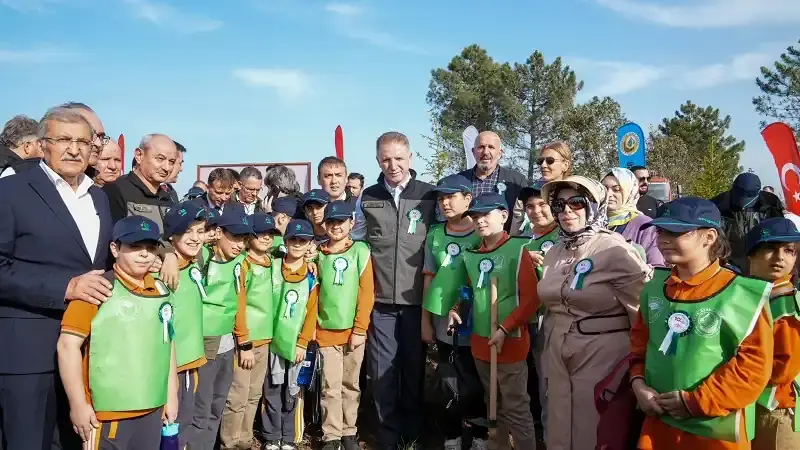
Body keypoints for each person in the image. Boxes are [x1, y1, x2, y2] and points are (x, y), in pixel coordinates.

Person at [0, 107, 114, 450]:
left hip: (86, 353)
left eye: (82, 141)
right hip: (28, 355)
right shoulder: (11, 192)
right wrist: (65, 287)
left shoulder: (99, 197)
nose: (74, 149)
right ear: (42, 145)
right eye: (63, 139)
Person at [629, 197, 772, 450]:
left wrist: (696, 401)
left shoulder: (743, 295)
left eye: (676, 231)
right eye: (661, 230)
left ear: (708, 237)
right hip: (658, 427)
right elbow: (638, 348)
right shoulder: (653, 288)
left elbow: (752, 369)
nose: (663, 238)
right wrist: (638, 384)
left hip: (715, 432)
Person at [537, 175, 651, 450]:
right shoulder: (554, 251)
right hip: (557, 350)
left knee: (594, 428)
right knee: (558, 424)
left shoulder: (614, 248)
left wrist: (642, 365)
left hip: (602, 352)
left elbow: (641, 311)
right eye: (559, 205)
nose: (567, 211)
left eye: (576, 203)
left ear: (593, 205)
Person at [57, 216, 179, 449]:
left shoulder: (161, 290)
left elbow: (168, 342)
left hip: (153, 406)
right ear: (115, 248)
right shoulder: (97, 288)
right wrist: (78, 404)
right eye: (135, 246)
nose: (144, 253)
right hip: (108, 413)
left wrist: (171, 394)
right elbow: (67, 345)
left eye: (151, 247)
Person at [350, 131, 437, 449]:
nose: (393, 164)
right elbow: (356, 238)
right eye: (386, 158)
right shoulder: (368, 195)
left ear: (410, 158)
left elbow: (440, 241)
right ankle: (387, 432)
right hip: (381, 300)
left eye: (399, 158)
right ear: (377, 160)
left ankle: (413, 431)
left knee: (413, 368)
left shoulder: (429, 195)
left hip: (417, 300)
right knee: (382, 369)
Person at [442, 193, 539, 450]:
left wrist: (506, 328)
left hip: (510, 342)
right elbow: (467, 290)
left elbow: (532, 299)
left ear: (504, 215)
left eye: (486, 214)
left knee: (516, 407)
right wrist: (456, 309)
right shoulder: (471, 254)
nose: (480, 220)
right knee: (492, 404)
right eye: (475, 216)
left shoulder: (520, 250)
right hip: (480, 343)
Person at [300, 201, 374, 450]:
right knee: (330, 386)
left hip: (353, 332)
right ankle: (331, 434)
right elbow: (313, 294)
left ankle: (349, 431)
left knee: (350, 385)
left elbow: (366, 293)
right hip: (326, 332)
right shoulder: (318, 254)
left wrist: (360, 329)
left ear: (351, 224)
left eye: (341, 222)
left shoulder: (360, 251)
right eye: (331, 222)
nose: (336, 227)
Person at [420, 175, 486, 450]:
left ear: (468, 199)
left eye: (451, 197)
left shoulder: (482, 232)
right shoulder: (434, 234)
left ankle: (481, 435)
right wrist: (425, 322)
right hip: (442, 320)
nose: (445, 203)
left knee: (479, 378)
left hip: (478, 319)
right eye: (440, 198)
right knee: (450, 377)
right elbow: (428, 277)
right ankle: (452, 434)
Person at [188, 208, 253, 450]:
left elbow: (240, 302)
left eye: (244, 238)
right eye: (234, 236)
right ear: (218, 233)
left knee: (217, 404)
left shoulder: (240, 262)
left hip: (227, 344)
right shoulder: (200, 257)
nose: (239, 244)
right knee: (200, 408)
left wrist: (243, 341)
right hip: (203, 342)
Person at [221, 213, 280, 450]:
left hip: (265, 340)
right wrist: (244, 342)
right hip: (245, 342)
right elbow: (239, 304)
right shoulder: (242, 264)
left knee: (254, 394)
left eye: (270, 234)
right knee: (237, 396)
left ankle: (244, 440)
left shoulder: (272, 262)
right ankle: (229, 442)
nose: (266, 238)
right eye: (260, 233)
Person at [261, 219, 320, 450]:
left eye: (302, 240)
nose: (297, 244)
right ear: (285, 241)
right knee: (272, 389)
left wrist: (303, 343)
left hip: (297, 344)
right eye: (293, 239)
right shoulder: (272, 266)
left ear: (309, 245)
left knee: (293, 391)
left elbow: (312, 311)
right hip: (273, 341)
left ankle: (289, 437)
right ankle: (271, 435)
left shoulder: (312, 275)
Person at [745, 218, 800, 450]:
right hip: (747, 404)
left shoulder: (786, 301)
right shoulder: (751, 294)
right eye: (770, 248)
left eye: (789, 251)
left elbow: (784, 367)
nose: (780, 258)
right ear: (750, 254)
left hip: (775, 407)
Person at [162, 201, 209, 448]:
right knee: (170, 427)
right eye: (187, 231)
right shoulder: (162, 271)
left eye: (200, 231)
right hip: (169, 367)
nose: (195, 238)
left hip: (191, 361)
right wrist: (166, 253)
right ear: (171, 235)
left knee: (184, 424)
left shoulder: (193, 263)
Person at [518, 178, 557, 443]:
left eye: (542, 204)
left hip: (555, 319)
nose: (536, 211)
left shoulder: (565, 236)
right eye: (530, 206)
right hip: (529, 319)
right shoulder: (525, 243)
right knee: (538, 383)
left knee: (551, 384)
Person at [711, 172, 784, 273]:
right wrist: (721, 260)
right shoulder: (718, 204)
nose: (742, 204)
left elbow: (780, 235)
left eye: (747, 200)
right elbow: (713, 238)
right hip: (729, 263)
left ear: (758, 193)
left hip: (762, 262)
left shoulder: (771, 204)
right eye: (739, 198)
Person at [456, 131, 527, 233]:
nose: (485, 152)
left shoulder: (516, 181)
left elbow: (525, 219)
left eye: (491, 147)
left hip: (503, 244)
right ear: (473, 151)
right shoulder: (459, 180)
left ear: (500, 153)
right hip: (464, 243)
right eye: (481, 147)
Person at [601, 167, 664, 266]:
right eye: (604, 189)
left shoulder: (645, 226)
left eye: (616, 189)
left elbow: (657, 267)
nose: (608, 194)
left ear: (629, 192)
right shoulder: (593, 223)